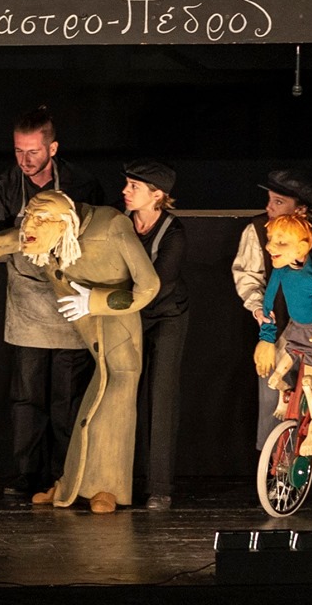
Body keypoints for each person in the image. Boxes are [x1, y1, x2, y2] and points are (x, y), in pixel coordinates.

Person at [0, 190, 160, 513]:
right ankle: (71, 485)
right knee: (89, 407)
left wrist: (95, 301)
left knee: (111, 404)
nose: (30, 227)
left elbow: (149, 286)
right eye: (30, 218)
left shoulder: (111, 227)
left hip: (118, 328)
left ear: (64, 224)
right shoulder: (41, 234)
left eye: (41, 220)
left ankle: (108, 488)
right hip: (87, 329)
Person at [0, 105, 104, 498]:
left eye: (33, 152)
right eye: (18, 151)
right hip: (26, 300)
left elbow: (100, 238)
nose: (24, 160)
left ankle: (65, 475)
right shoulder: (4, 188)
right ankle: (28, 474)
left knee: (67, 397)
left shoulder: (81, 184)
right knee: (27, 396)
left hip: (70, 300)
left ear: (53, 148)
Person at [232, 169, 312, 504]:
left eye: (278, 202)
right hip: (282, 334)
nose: (269, 208)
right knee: (276, 399)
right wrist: (259, 311)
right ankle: (278, 474)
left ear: (301, 209)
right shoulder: (258, 230)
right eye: (269, 200)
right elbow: (248, 275)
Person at [121, 158, 190, 511]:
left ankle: (159, 486)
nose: (125, 191)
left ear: (157, 195)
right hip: (129, 316)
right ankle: (121, 481)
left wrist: (112, 301)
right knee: (123, 394)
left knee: (161, 396)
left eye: (134, 187)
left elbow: (158, 285)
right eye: (127, 184)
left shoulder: (173, 232)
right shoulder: (120, 221)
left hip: (166, 315)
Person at [253, 214, 312, 457]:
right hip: (296, 330)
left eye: (281, 242)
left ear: (301, 248)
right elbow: (268, 304)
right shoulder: (281, 271)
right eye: (270, 239)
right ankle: (286, 393)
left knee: (308, 383)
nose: (269, 247)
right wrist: (266, 337)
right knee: (274, 380)